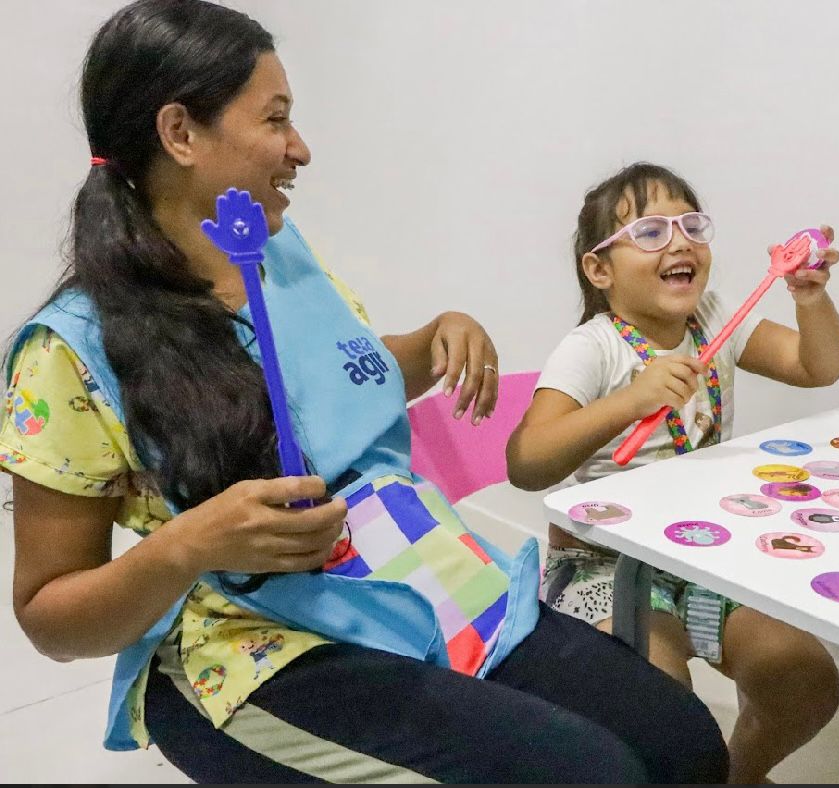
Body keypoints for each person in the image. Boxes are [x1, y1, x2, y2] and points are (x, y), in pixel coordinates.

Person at [1, 4, 727, 783]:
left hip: (416, 576)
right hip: (256, 646)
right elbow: (52, 617)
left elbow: (334, 374)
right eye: (275, 118)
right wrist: (190, 544)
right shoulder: (68, 352)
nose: (300, 149)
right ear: (181, 133)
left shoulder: (278, 253)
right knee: (593, 774)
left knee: (685, 747)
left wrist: (432, 339)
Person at [507, 162, 839, 784]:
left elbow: (815, 365)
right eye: (651, 231)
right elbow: (526, 462)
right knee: (664, 709)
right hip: (604, 564)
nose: (680, 241)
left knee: (804, 675)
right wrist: (629, 402)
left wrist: (811, 300)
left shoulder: (715, 318)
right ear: (599, 269)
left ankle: (736, 776)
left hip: (708, 555)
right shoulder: (595, 347)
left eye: (690, 225)